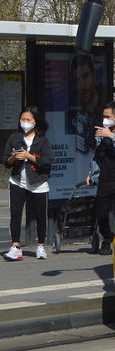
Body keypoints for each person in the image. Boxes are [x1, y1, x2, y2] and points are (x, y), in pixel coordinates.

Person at [4, 107, 53, 261]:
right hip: (18, 180)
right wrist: (13, 158)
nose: (24, 122)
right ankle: (15, 247)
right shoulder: (14, 137)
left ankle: (40, 245)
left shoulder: (43, 140)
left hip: (38, 182)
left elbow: (47, 162)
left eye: (28, 120)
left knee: (40, 215)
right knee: (16, 214)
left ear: (35, 122)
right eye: (22, 119)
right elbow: (6, 161)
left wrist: (29, 156)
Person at [87, 102, 115, 256]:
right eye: (103, 116)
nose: (104, 119)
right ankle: (107, 237)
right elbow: (96, 155)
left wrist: (111, 135)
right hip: (104, 179)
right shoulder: (101, 132)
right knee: (101, 213)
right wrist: (91, 173)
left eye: (108, 116)